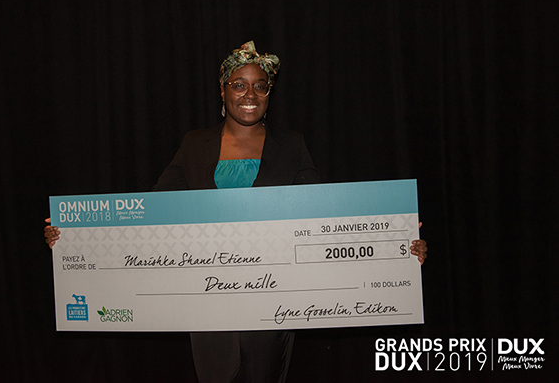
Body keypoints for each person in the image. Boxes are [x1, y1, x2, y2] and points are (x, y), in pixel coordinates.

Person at [45, 41, 428, 382]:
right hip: (208, 307)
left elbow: (322, 220)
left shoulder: (292, 146)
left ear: (269, 92)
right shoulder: (195, 144)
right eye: (239, 84)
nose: (250, 94)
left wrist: (394, 245)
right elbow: (153, 212)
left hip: (272, 306)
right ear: (223, 89)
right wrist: (76, 238)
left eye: (260, 86)